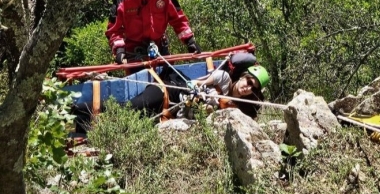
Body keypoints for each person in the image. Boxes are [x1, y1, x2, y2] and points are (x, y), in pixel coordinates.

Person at [71, 53, 269, 133]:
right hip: (166, 93)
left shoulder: (234, 110)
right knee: (130, 108)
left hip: (168, 116)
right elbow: (199, 82)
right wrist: (198, 90)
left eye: (252, 88)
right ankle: (74, 110)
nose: (247, 88)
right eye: (248, 81)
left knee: (128, 126)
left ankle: (77, 123)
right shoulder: (223, 78)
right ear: (242, 77)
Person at [105, 0, 201, 65]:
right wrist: (119, 50)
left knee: (167, 80)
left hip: (159, 49)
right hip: (133, 53)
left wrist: (190, 41)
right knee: (137, 81)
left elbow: (178, 20)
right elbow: (114, 29)